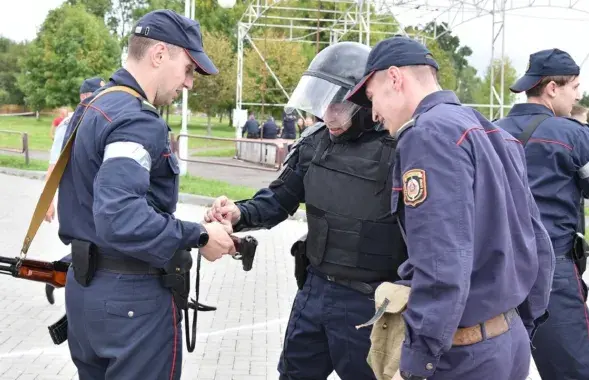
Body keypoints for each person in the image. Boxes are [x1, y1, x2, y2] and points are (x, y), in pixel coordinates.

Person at [346, 36, 555, 380]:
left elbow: (440, 262)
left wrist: (416, 362)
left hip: (462, 358)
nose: (374, 113)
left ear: (395, 79)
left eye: (372, 97)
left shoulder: (427, 135)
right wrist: (521, 323)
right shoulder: (492, 132)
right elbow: (537, 241)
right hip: (507, 343)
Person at [204, 41, 407, 380]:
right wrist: (237, 214)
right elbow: (278, 200)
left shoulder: (401, 147)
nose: (328, 115)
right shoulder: (315, 142)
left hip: (372, 304)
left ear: (363, 99)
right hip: (314, 293)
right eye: (321, 103)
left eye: (338, 104)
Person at [55, 10, 236, 380]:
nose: (189, 83)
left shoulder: (95, 105)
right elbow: (120, 216)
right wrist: (199, 236)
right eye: (188, 69)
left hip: (88, 296)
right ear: (158, 55)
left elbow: (104, 201)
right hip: (131, 304)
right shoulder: (137, 120)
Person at [493, 48, 589, 380]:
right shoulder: (572, 135)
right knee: (573, 370)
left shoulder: (489, 131)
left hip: (495, 272)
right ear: (551, 87)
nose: (577, 95)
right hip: (552, 275)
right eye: (574, 87)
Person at [44, 77, 105, 223]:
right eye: (98, 94)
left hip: (100, 204)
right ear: (83, 96)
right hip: (78, 206)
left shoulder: (103, 121)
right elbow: (54, 166)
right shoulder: (68, 125)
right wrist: (47, 203)